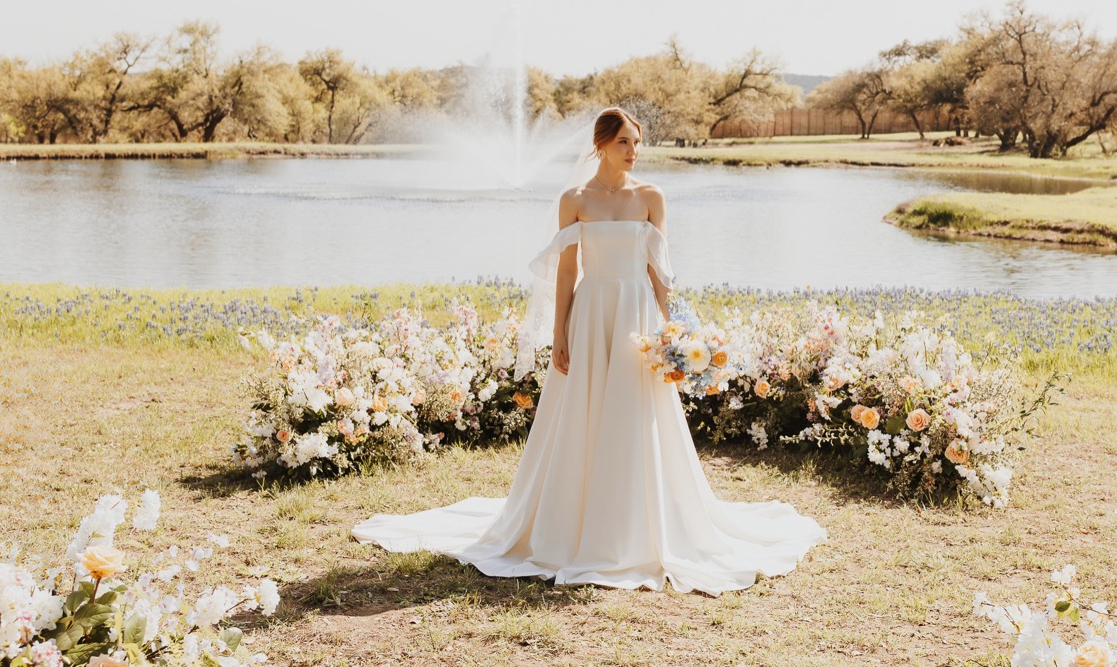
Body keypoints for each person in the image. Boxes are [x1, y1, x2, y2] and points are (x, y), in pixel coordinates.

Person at [353, 107, 824, 595]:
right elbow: (565, 272)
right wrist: (559, 332)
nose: (634, 150)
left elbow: (660, 272)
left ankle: (636, 524)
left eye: (637, 142)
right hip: (591, 311)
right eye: (624, 142)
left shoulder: (651, 197)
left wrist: (674, 331)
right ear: (601, 145)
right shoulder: (574, 199)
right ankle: (573, 522)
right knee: (582, 410)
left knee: (635, 412)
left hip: (636, 318)